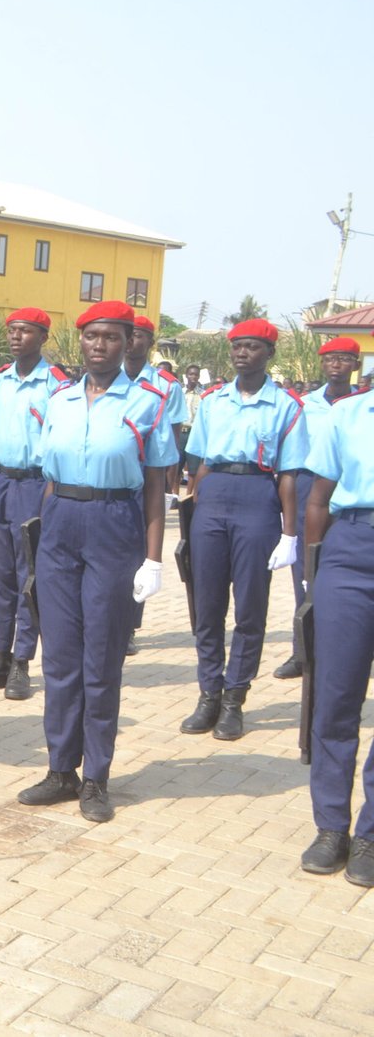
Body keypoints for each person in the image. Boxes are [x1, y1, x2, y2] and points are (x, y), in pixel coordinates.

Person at [16, 300, 175, 823]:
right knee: (59, 656)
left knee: (101, 659)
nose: (100, 345)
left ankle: (96, 777)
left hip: (114, 524)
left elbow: (156, 487)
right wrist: (37, 542)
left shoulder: (148, 403)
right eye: (91, 336)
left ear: (129, 343)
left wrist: (152, 558)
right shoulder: (59, 399)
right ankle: (61, 768)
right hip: (61, 521)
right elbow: (48, 477)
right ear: (80, 342)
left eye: (111, 337)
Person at [180, 318, 306, 742]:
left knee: (250, 605)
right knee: (207, 603)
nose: (241, 353)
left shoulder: (286, 405)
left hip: (258, 495)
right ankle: (209, 693)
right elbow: (199, 462)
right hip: (213, 495)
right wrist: (191, 504)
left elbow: (288, 474)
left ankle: (235, 697)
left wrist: (289, 533)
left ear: (269, 353)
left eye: (251, 346)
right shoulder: (214, 401)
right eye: (236, 346)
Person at [0, 309, 71, 700]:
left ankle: (23, 662)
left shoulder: (56, 383)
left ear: (42, 337)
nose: (15, 337)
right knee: (0, 574)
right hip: (3, 483)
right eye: (12, 331)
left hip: (37, 485)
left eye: (24, 331)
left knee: (30, 576)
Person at [298, 381, 374, 883]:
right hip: (350, 555)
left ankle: (370, 834)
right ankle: (331, 826)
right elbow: (318, 499)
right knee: (336, 696)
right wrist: (312, 575)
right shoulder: (346, 415)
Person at [274, 336, 360, 680]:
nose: (336, 365)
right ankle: (302, 651)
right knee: (306, 571)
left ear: (355, 365)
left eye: (343, 359)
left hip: (349, 489)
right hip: (311, 485)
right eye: (329, 359)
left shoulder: (361, 405)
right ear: (321, 364)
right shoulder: (304, 404)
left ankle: (350, 653)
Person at [121, 315, 188, 657]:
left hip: (147, 479)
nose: (132, 341)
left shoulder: (166, 385)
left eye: (140, 336)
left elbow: (172, 440)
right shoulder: (106, 379)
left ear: (150, 342)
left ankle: (130, 625)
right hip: (115, 478)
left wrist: (169, 487)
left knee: (138, 554)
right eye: (128, 335)